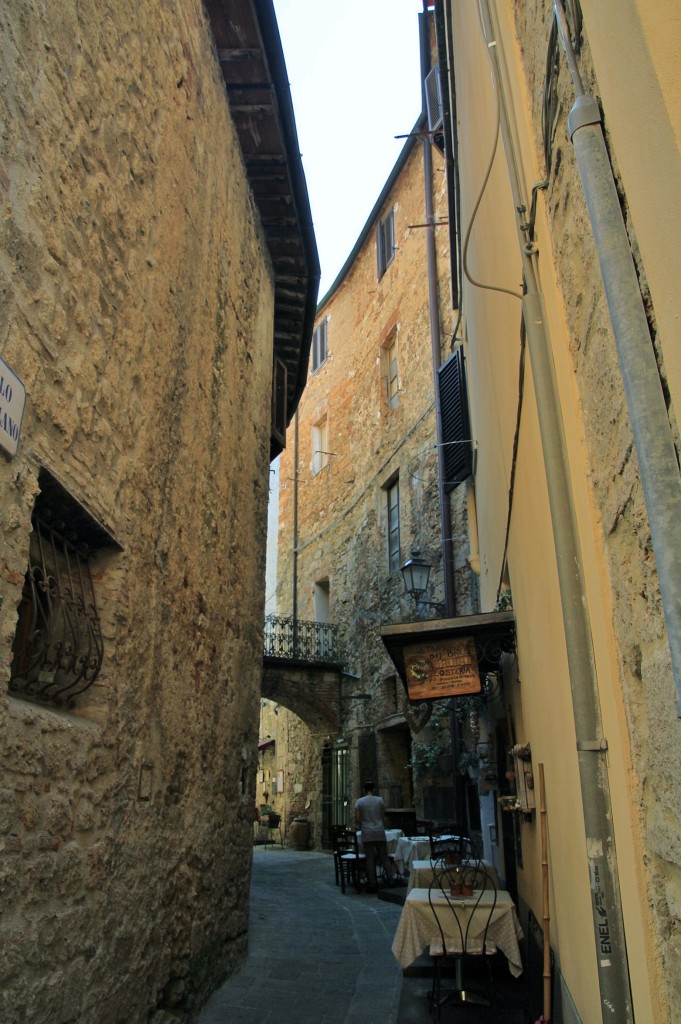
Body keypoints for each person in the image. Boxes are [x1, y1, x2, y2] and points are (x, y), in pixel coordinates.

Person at [354, 780, 399, 893]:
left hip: (367, 831)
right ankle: (391, 879)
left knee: (370, 858)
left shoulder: (359, 802)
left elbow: (358, 819)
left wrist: (364, 822)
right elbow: (382, 815)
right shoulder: (379, 800)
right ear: (373, 789)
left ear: (364, 789)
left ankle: (372, 883)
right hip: (379, 830)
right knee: (384, 856)